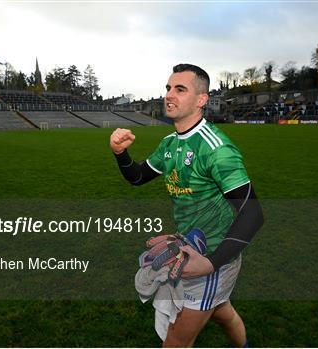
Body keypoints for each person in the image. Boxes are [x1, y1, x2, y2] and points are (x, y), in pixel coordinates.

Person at [110, 64, 264, 347]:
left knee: (176, 342)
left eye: (180, 89)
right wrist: (121, 153)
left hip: (215, 256)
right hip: (191, 246)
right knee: (222, 313)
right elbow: (138, 177)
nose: (170, 94)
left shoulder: (216, 149)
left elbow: (253, 213)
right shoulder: (169, 143)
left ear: (201, 100)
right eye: (168, 88)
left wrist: (210, 263)